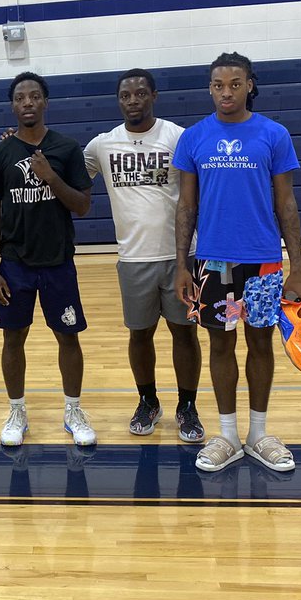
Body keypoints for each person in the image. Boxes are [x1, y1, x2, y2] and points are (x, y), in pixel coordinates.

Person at [173, 52, 301, 474]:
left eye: (235, 84)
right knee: (220, 343)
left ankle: (258, 434)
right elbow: (186, 205)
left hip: (264, 262)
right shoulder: (194, 137)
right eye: (218, 85)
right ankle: (227, 435)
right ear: (210, 89)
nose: (226, 92)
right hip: (213, 261)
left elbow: (286, 203)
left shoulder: (273, 134)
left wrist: (299, 265)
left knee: (260, 342)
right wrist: (182, 263)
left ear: (250, 85)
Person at [83, 68, 204, 443]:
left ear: (153, 96)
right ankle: (148, 400)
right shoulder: (101, 145)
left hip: (181, 256)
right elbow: (66, 176)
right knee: (140, 334)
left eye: (139, 93)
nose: (133, 100)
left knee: (184, 333)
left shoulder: (177, 137)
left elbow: (197, 193)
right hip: (133, 257)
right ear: (118, 100)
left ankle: (187, 405)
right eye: (125, 95)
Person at [0, 71, 96, 448]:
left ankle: (73, 410)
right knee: (13, 339)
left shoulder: (66, 148)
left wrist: (50, 177)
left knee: (69, 337)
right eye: (20, 97)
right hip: (15, 265)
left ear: (45, 102)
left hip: (58, 262)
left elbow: (82, 205)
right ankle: (17, 411)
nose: (27, 103)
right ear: (13, 105)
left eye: (34, 96)